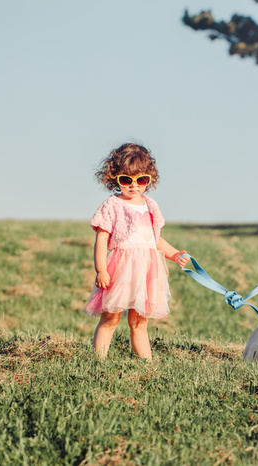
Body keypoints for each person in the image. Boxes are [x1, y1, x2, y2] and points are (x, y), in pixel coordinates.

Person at [84, 142, 189, 360]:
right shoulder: (112, 205)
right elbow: (101, 239)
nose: (134, 186)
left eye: (141, 180)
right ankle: (97, 362)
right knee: (110, 319)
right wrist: (101, 269)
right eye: (126, 180)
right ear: (115, 178)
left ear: (149, 179)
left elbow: (154, 240)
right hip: (121, 270)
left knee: (139, 323)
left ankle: (146, 365)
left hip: (147, 271)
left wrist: (174, 254)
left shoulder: (150, 205)